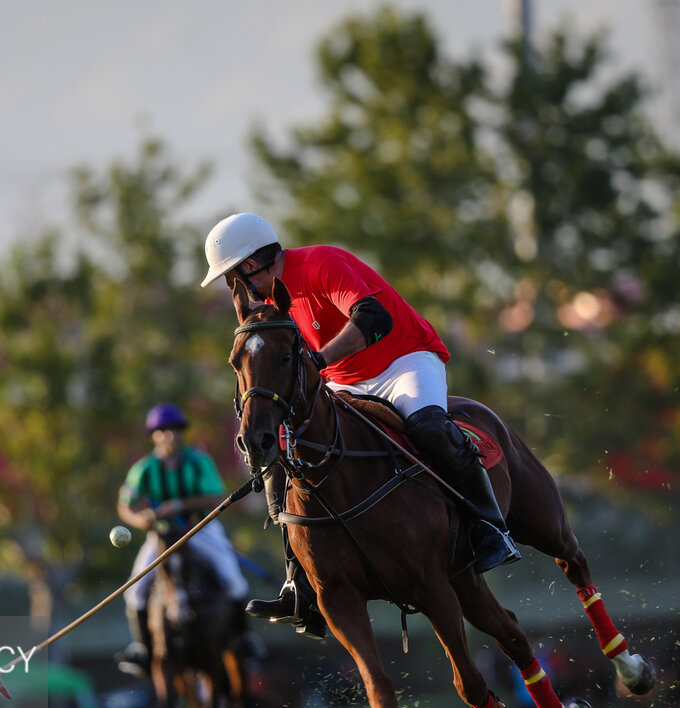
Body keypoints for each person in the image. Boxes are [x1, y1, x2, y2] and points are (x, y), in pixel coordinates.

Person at [200, 213, 521, 636]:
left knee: (428, 427)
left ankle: (489, 527)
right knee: (290, 452)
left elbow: (373, 317)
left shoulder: (321, 264)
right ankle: (297, 580)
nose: (234, 289)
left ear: (257, 262)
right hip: (344, 381)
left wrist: (320, 361)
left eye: (234, 277)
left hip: (403, 360)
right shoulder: (266, 307)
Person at [115, 402, 252, 677]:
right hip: (163, 536)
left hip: (200, 530)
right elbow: (125, 505)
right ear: (153, 434)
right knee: (135, 592)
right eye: (163, 430)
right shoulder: (143, 468)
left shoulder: (199, 461)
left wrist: (177, 506)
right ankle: (143, 650)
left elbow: (215, 498)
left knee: (235, 581)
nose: (170, 435)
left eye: (175, 429)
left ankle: (243, 640)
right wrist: (142, 520)